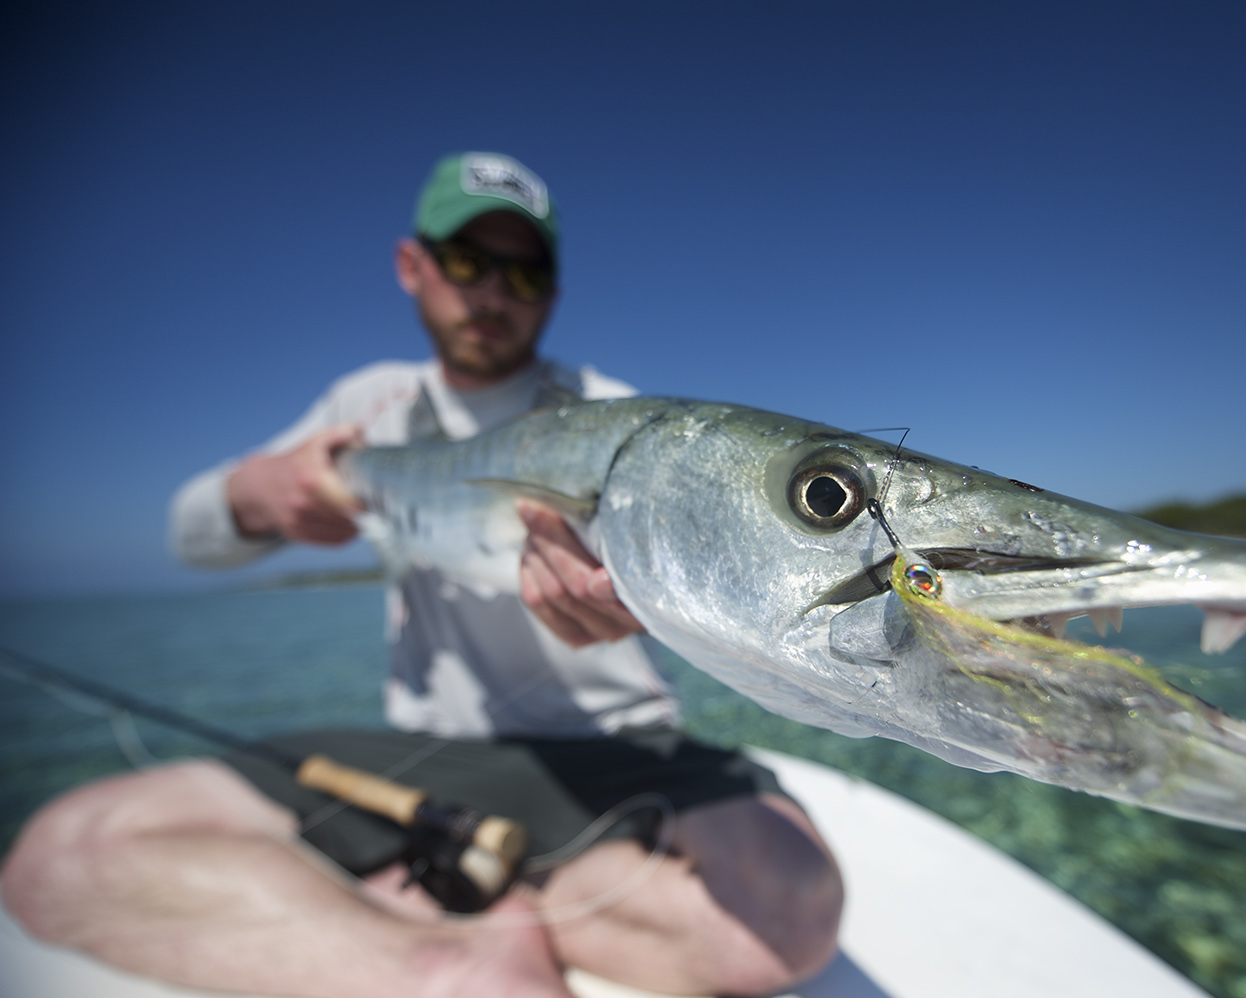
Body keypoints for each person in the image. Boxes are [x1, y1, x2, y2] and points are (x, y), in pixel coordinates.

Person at [1, 152, 843, 998]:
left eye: (525, 272)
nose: (494, 293)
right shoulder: (367, 407)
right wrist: (255, 495)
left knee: (793, 908)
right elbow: (193, 537)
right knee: (62, 855)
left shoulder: (611, 412)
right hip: (430, 755)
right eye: (469, 261)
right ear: (414, 266)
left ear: (552, 290)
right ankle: (453, 955)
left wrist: (646, 600)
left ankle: (456, 896)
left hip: (619, 751)